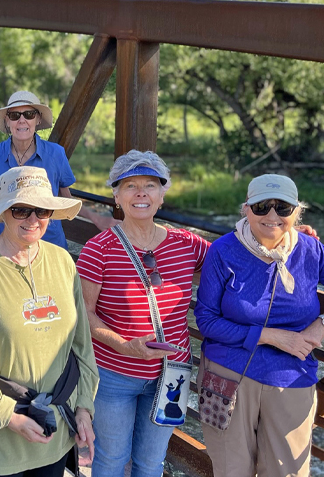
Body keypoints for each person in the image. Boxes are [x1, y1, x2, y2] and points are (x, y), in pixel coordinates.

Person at [194, 174, 324, 477]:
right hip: (227, 375)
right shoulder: (223, 251)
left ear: (297, 212)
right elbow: (207, 321)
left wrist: (321, 325)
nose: (272, 216)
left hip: (292, 377)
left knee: (287, 472)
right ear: (246, 209)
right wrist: (271, 336)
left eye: (283, 208)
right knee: (230, 470)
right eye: (262, 206)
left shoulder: (311, 251)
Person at [0, 166, 99, 477]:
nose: (33, 219)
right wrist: (8, 416)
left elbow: (82, 346)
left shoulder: (63, 261)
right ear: (3, 213)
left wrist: (83, 409)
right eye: (21, 209)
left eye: (41, 209)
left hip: (52, 438)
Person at [75, 150, 210, 477]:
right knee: (110, 460)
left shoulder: (189, 245)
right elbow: (83, 314)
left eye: (150, 185)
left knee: (152, 462)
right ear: (116, 195)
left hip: (172, 375)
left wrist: (287, 238)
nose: (140, 193)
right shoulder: (99, 249)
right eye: (130, 185)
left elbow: (238, 258)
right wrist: (123, 345)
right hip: (113, 375)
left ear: (162, 195)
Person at [0, 90, 118, 248]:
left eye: (29, 114)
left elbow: (67, 200)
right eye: (14, 115)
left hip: (49, 243)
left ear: (38, 119)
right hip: (4, 247)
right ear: (7, 121)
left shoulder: (56, 154)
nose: (22, 120)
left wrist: (96, 217)